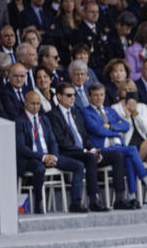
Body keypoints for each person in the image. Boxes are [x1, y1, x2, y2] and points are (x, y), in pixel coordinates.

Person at [47, 81, 129, 211]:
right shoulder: (53, 115)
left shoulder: (76, 112)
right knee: (90, 158)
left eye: (74, 95)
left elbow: (84, 137)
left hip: (84, 152)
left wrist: (92, 149)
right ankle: (94, 200)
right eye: (68, 95)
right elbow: (62, 141)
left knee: (117, 156)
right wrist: (87, 151)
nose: (73, 98)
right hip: (67, 152)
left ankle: (120, 198)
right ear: (59, 97)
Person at [82, 82, 147, 209]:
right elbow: (97, 130)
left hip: (117, 147)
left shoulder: (109, 110)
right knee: (131, 150)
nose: (99, 98)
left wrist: (111, 126)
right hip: (102, 149)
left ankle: (131, 197)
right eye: (96, 95)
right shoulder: (86, 112)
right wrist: (115, 128)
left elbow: (125, 126)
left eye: (102, 95)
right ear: (89, 97)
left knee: (129, 158)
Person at [16, 90, 85, 214]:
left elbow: (53, 141)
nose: (36, 107)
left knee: (78, 166)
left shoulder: (44, 119)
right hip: (31, 158)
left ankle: (76, 202)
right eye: (33, 104)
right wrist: (43, 157)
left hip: (49, 156)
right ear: (25, 103)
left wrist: (53, 156)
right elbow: (21, 147)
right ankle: (38, 203)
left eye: (38, 104)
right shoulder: (20, 121)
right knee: (40, 169)